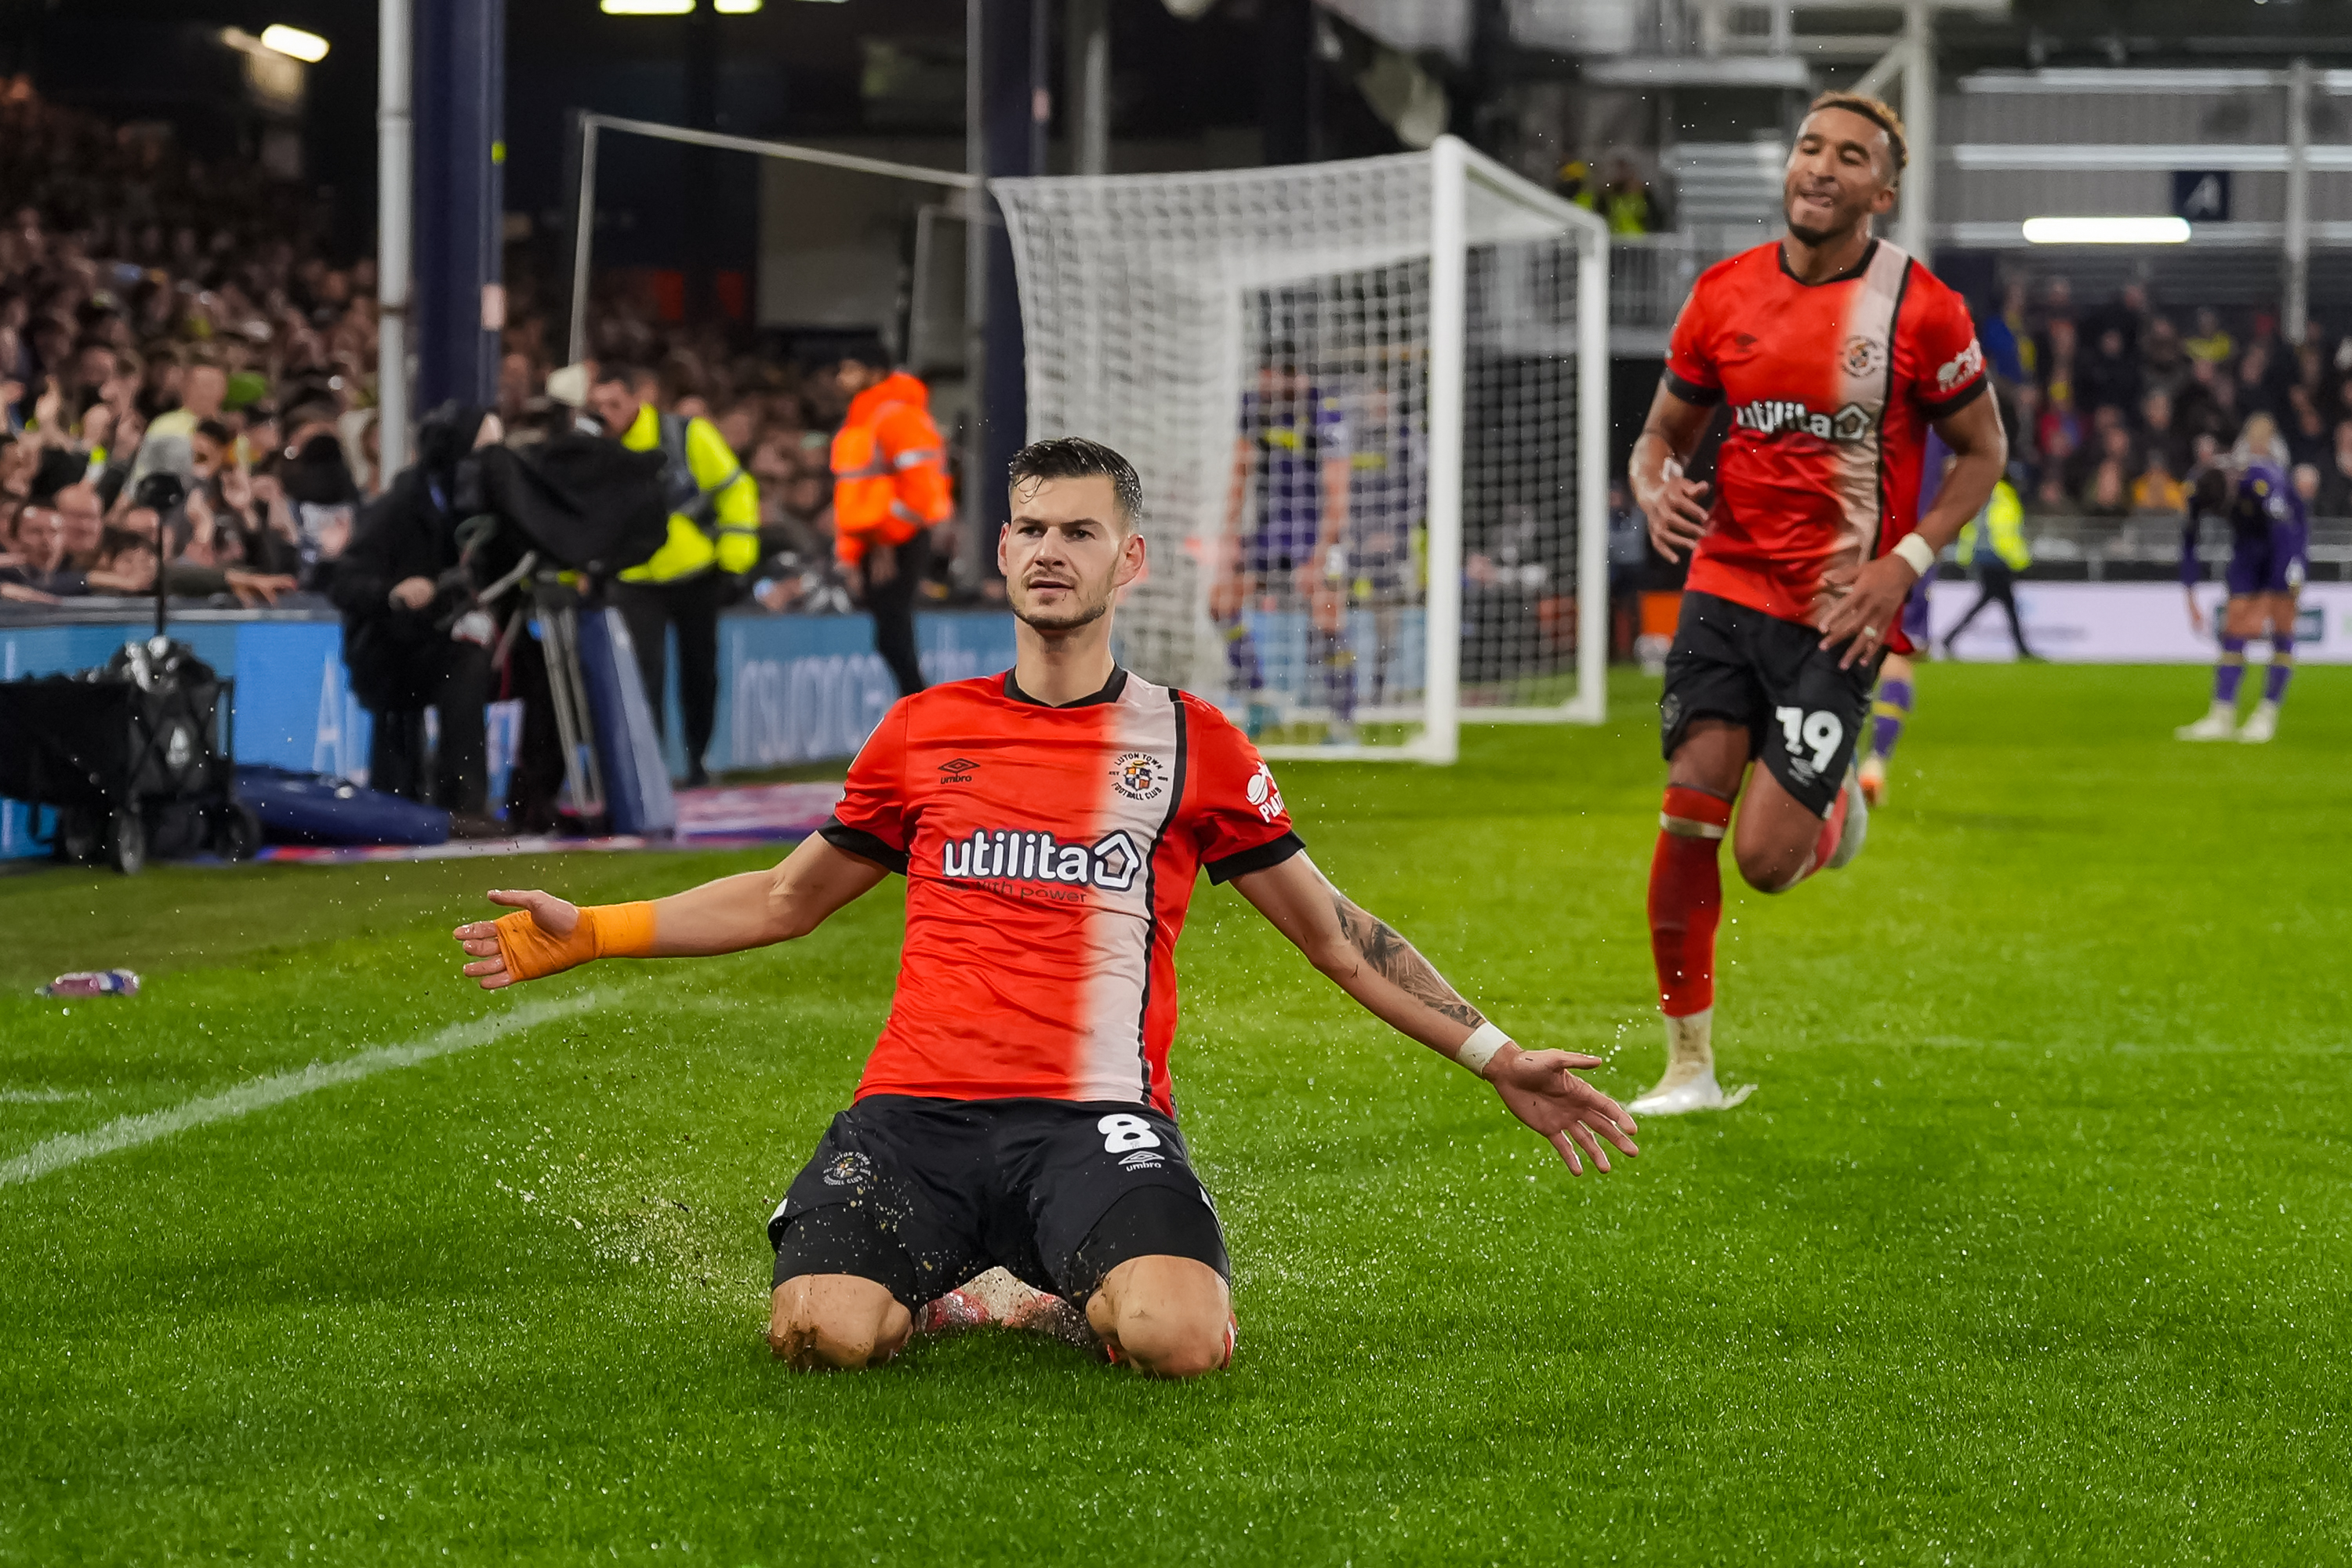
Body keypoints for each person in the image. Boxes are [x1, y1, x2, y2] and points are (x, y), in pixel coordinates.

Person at [450, 436, 1638, 1377]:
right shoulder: (922, 732)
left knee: (1181, 1342)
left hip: (1096, 1121)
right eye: (1030, 528)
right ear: (1002, 552)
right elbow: (780, 898)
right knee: (820, 1336)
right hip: (915, 1112)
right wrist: (594, 930)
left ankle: (1051, 1284)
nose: (1050, 550)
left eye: (1081, 530)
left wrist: (1493, 1055)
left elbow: (1337, 937)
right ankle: (974, 1284)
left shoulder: (1192, 741)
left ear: (1131, 561)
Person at [1626, 90, 2005, 1116]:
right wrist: (1651, 482)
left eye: (1849, 155)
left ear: (1881, 190)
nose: (1820, 166)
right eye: (1808, 146)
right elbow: (1661, 435)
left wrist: (1906, 563)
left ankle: (1833, 818)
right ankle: (1688, 1068)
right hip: (1724, 583)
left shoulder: (1922, 310)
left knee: (1764, 862)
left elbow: (1985, 451)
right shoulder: (1722, 294)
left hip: (1840, 606)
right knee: (1690, 807)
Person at [328, 404, 504, 828]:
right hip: (390, 647)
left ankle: (531, 799)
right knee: (465, 661)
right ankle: (462, 805)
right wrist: (394, 592)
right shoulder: (399, 506)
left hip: (437, 636)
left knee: (502, 662)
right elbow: (343, 583)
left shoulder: (477, 509)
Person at [590, 360, 760, 788]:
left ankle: (696, 760)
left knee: (698, 671)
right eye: (599, 404)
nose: (605, 413)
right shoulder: (593, 449)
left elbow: (735, 489)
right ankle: (651, 771)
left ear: (637, 399)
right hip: (632, 578)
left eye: (614, 403)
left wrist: (734, 557)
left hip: (697, 571)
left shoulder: (688, 434)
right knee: (642, 675)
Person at [1218, 339, 1352, 738]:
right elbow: (1240, 474)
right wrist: (1228, 538)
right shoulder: (1254, 408)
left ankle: (1344, 722)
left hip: (1318, 531)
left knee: (1327, 614)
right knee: (1221, 602)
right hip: (1272, 529)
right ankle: (1259, 699)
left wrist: (1320, 555)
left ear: (1293, 377)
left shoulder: (1324, 413)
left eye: (1271, 378)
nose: (1264, 386)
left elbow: (1338, 495)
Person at [822, 344, 955, 699]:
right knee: (889, 633)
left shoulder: (897, 417)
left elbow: (920, 493)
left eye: (849, 369)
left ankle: (919, 709)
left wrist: (885, 539)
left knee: (892, 632)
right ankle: (917, 708)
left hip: (897, 540)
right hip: (876, 540)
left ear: (876, 373)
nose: (841, 378)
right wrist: (850, 553)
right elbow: (853, 495)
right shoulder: (862, 419)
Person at [2176, 412, 2307, 744]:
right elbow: (2189, 541)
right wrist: (2189, 595)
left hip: (2284, 549)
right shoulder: (2196, 486)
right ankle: (2222, 715)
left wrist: (2286, 583)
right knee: (2234, 628)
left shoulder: (2262, 482)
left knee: (2281, 628)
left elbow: (2287, 535)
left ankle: (2266, 714)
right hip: (2247, 550)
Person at [1940, 477, 2034, 659]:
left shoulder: (1982, 492)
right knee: (2004, 604)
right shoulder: (2003, 495)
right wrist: (2019, 559)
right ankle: (2022, 649)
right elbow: (2005, 531)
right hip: (1996, 557)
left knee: (1992, 602)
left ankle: (1950, 638)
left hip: (1985, 556)